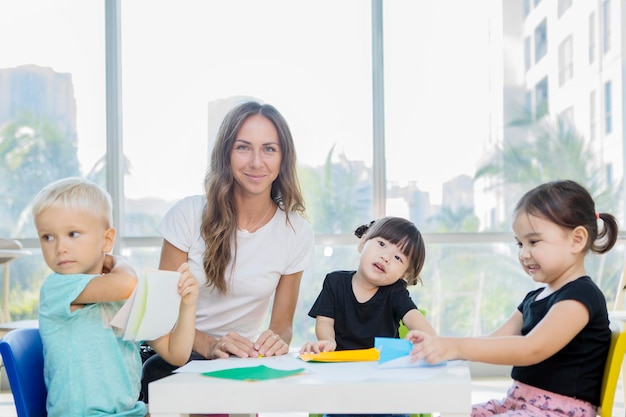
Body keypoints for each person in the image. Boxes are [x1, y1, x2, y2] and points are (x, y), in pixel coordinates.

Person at [141, 100, 315, 401]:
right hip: (171, 356)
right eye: (243, 147)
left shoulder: (296, 233)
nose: (256, 162)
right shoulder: (188, 215)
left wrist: (274, 342)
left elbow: (282, 326)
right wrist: (209, 345)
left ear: (283, 158)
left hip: (235, 367)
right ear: (226, 154)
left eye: (269, 149)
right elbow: (159, 314)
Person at [408, 179, 619, 417]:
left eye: (534, 241)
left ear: (577, 239)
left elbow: (532, 348)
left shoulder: (581, 296)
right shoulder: (535, 298)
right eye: (520, 243)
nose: (523, 253)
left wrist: (456, 346)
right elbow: (495, 341)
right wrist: (441, 347)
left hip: (560, 412)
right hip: (518, 404)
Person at [33, 177, 199, 417]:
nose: (60, 247)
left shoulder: (121, 297)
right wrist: (116, 261)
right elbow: (126, 283)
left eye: (73, 233)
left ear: (107, 239)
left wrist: (188, 306)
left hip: (130, 412)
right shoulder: (57, 287)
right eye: (48, 237)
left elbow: (177, 353)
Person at [300, 216, 436, 417]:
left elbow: (416, 319)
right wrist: (327, 341)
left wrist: (430, 338)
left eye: (398, 258)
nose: (386, 257)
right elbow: (325, 321)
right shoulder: (334, 281)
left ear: (404, 275)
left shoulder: (395, 292)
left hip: (386, 384)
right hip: (343, 380)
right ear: (363, 242)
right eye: (382, 244)